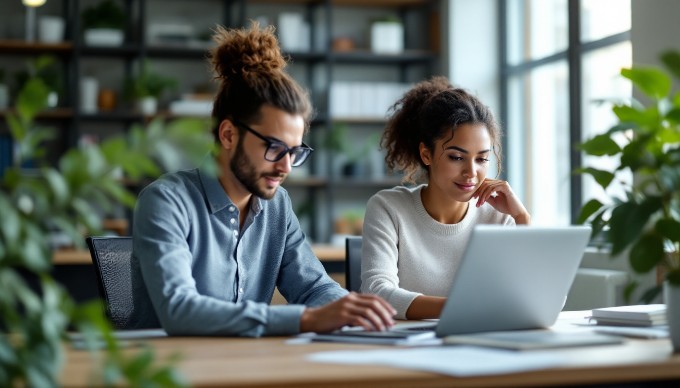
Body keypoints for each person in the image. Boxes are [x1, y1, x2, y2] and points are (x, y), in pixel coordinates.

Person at [129, 22, 395, 336]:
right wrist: (305, 320)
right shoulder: (166, 201)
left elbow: (314, 288)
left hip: (248, 365)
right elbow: (180, 309)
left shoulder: (277, 205)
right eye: (274, 147)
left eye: (294, 151)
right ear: (228, 135)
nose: (286, 167)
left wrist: (347, 309)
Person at [361, 77, 531, 320]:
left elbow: (538, 299)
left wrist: (522, 218)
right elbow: (378, 294)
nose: (471, 172)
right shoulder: (389, 208)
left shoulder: (498, 217)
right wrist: (463, 308)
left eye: (481, 159)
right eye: (456, 157)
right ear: (426, 154)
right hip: (408, 351)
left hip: (483, 349)